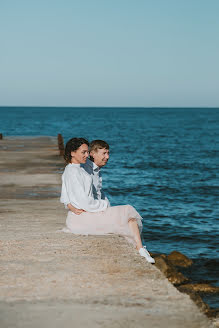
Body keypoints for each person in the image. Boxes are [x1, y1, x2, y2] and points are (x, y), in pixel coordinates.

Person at [60, 137, 155, 263]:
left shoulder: (74, 169)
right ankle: (140, 249)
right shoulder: (74, 172)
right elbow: (85, 202)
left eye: (87, 152)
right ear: (72, 153)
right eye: (84, 152)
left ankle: (140, 249)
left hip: (79, 217)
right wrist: (104, 205)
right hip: (82, 219)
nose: (87, 155)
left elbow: (65, 196)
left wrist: (70, 206)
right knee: (128, 211)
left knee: (125, 219)